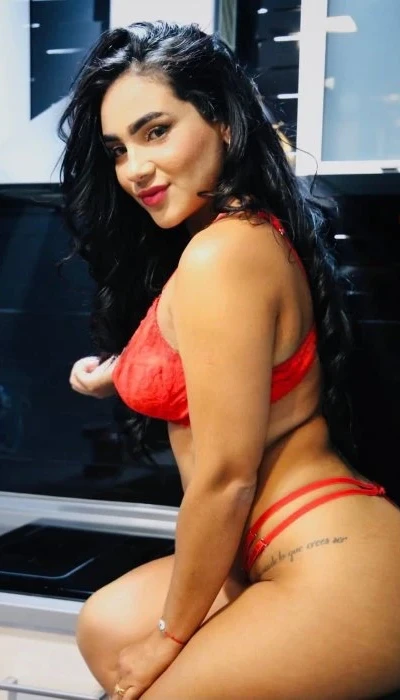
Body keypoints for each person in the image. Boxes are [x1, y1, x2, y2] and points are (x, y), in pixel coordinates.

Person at [62, 21, 400, 700]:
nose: (134, 168)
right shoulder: (226, 239)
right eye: (119, 149)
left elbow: (225, 477)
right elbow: (213, 366)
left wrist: (168, 638)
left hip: (326, 552)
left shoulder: (223, 254)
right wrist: (116, 373)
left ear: (221, 122)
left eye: (156, 131)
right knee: (105, 626)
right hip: (265, 547)